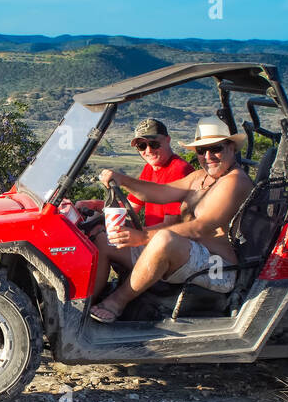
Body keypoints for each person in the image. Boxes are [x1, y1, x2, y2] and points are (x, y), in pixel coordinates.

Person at [89, 116, 254, 323]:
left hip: (217, 267)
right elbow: (162, 192)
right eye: (202, 151)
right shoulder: (200, 178)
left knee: (164, 239)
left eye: (216, 148)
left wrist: (142, 237)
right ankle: (84, 307)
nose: (208, 156)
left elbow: (200, 228)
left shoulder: (235, 181)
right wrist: (123, 180)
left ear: (231, 147)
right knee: (105, 241)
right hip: (186, 256)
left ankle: (116, 302)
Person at [88, 118, 191, 284]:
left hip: (165, 248)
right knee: (97, 231)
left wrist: (138, 235)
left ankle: (89, 303)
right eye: (142, 146)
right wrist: (95, 205)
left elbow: (171, 226)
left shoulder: (178, 170)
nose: (148, 150)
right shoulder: (150, 168)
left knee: (102, 243)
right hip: (151, 239)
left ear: (167, 140)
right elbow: (130, 207)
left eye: (154, 144)